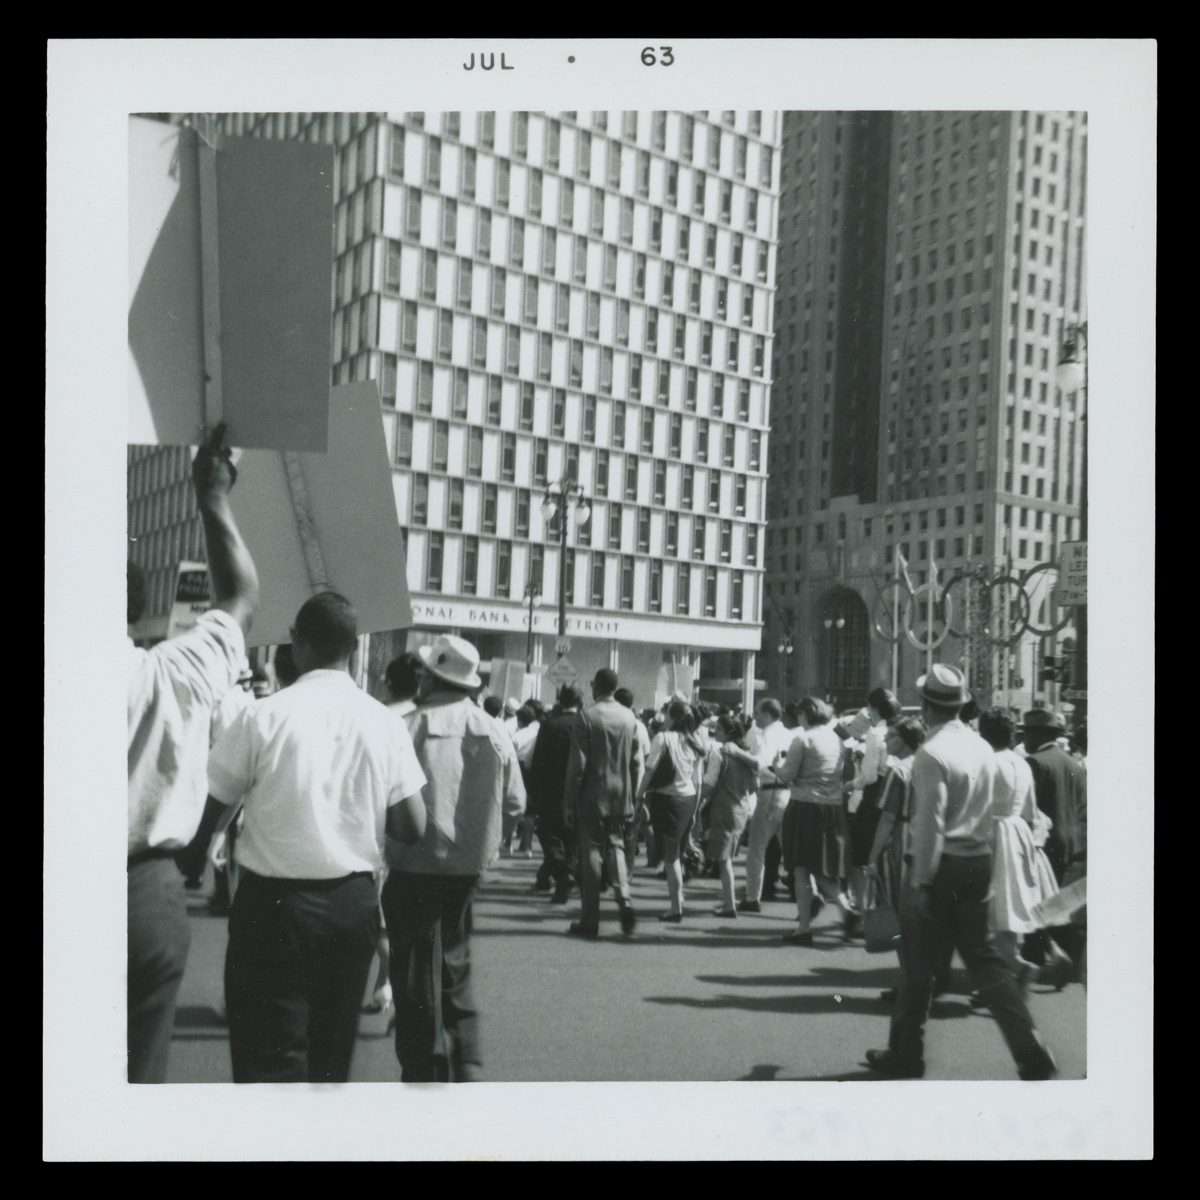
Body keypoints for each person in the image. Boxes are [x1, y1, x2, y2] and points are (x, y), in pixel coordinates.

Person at [204, 593, 428, 1083]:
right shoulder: (385, 724)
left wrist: (195, 853)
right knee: (329, 1062)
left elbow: (214, 802)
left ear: (298, 643)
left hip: (272, 906)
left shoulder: (262, 716)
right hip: (351, 905)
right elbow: (413, 824)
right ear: (352, 647)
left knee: (267, 1059)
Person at [126, 424, 259, 1083]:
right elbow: (239, 597)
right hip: (142, 892)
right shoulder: (164, 673)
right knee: (139, 1071)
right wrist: (211, 494)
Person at [865, 665, 1058, 1081]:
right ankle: (1029, 1047)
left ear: (929, 706)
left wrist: (919, 882)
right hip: (979, 861)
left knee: (916, 965)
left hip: (940, 864)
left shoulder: (930, 754)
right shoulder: (981, 747)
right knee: (984, 961)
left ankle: (905, 1052)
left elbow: (930, 824)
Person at [381, 635, 524, 1082]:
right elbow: (516, 801)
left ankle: (423, 1064)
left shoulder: (407, 727)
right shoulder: (494, 729)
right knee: (454, 960)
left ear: (432, 676)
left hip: (411, 865)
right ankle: (467, 1056)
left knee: (411, 972)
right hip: (465, 869)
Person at [361, 652, 426, 1021]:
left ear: (387, 681)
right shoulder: (425, 719)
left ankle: (386, 984)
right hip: (419, 829)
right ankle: (391, 987)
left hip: (377, 829)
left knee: (378, 915)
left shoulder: (377, 718)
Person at [975, 707, 1058, 994]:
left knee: (987, 912)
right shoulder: (1022, 763)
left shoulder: (986, 762)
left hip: (992, 835)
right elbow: (1031, 810)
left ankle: (1014, 969)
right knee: (1007, 911)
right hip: (1018, 834)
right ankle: (1006, 977)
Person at [563, 668, 643, 938]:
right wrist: (633, 796)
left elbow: (578, 765)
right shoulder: (629, 716)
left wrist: (568, 801)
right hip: (621, 795)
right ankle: (625, 900)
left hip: (592, 796)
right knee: (617, 848)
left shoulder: (587, 716)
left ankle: (590, 920)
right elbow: (635, 762)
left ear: (596, 686)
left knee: (592, 854)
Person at [863, 717, 935, 1004]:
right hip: (928, 840)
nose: (886, 741)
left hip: (900, 844)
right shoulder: (929, 765)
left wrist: (872, 857)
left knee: (899, 915)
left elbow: (888, 817)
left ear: (905, 741)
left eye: (892, 737)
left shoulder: (898, 772)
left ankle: (909, 981)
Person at [776, 697, 855, 945]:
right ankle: (846, 910)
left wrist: (776, 765)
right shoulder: (837, 740)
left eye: (800, 714)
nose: (798, 719)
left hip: (805, 807)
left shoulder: (803, 739)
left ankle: (804, 928)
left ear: (806, 715)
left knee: (801, 868)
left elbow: (787, 775)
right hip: (832, 808)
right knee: (821, 867)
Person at [1024, 709, 1087, 982]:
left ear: (1039, 734)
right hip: (1072, 843)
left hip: (1045, 843)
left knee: (1035, 901)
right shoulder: (1073, 763)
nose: (1024, 738)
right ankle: (1060, 957)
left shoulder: (1035, 762)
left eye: (1026, 732)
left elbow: (1030, 809)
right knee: (1058, 903)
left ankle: (1035, 959)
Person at [636, 699, 705, 923]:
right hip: (688, 798)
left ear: (672, 717)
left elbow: (649, 770)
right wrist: (695, 810)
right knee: (678, 850)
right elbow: (699, 781)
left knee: (670, 855)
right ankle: (679, 898)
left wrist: (639, 796)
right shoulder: (695, 741)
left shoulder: (663, 738)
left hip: (666, 799)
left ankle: (675, 907)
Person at [845, 689, 901, 921]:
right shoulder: (898, 730)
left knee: (861, 856)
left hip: (874, 795)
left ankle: (861, 910)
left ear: (873, 709)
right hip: (897, 791)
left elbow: (869, 776)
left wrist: (850, 784)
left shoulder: (875, 734)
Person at [736, 700, 796, 913]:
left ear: (769, 715)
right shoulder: (789, 734)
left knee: (756, 849)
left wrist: (736, 752)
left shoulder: (767, 735)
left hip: (770, 790)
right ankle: (812, 892)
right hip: (787, 792)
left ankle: (752, 897)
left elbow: (760, 762)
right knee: (791, 851)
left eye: (758, 713)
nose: (755, 717)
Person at [529, 685, 585, 902]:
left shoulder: (550, 725)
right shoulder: (585, 724)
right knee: (570, 837)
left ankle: (562, 875)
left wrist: (532, 791)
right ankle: (563, 878)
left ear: (561, 701)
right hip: (578, 788)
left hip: (551, 788)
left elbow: (538, 760)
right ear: (579, 701)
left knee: (548, 833)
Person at [702, 714, 759, 916]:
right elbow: (754, 785)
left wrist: (698, 798)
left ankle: (729, 905)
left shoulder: (719, 754)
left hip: (723, 808)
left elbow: (709, 783)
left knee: (723, 859)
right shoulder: (745, 756)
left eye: (718, 729)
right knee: (727, 857)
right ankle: (729, 902)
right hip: (741, 808)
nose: (714, 732)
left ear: (728, 734)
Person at [616, 688, 655, 871]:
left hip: (614, 785)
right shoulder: (640, 726)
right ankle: (628, 870)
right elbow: (646, 756)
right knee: (631, 831)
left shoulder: (613, 722)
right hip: (636, 786)